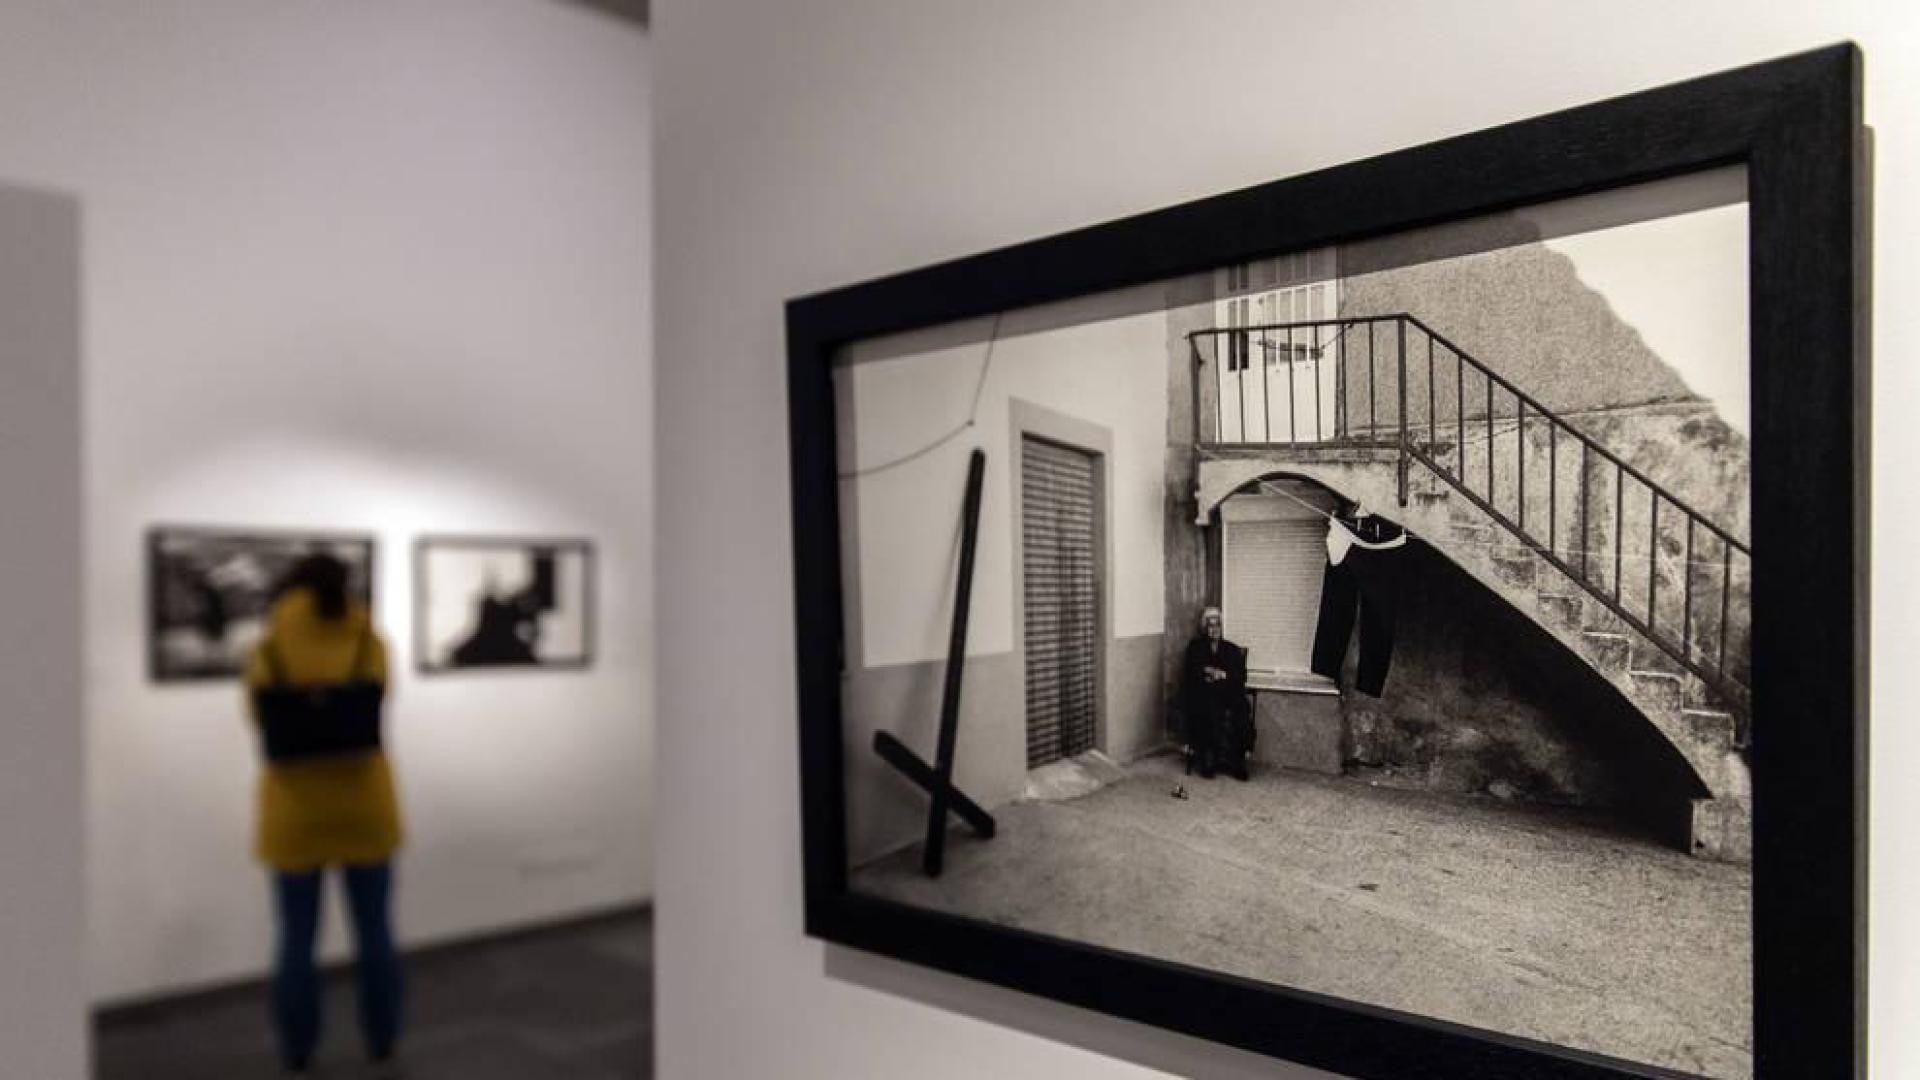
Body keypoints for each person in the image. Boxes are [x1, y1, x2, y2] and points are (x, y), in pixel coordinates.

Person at [244, 554, 404, 1078]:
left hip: (294, 811)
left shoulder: (267, 647)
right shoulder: (370, 642)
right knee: (376, 933)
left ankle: (297, 1050)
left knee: (295, 939)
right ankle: (381, 1041)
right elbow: (382, 702)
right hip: (366, 807)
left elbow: (254, 719)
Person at [1182, 607, 1253, 780]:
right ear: (1204, 628)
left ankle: (1238, 761)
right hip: (1204, 694)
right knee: (1208, 707)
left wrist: (1223, 675)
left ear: (1222, 627)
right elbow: (1190, 673)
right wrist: (1208, 672)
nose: (1214, 629)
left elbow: (1241, 676)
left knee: (1242, 708)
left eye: (1217, 625)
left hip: (1228, 694)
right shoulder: (1195, 647)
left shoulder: (1232, 649)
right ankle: (1209, 758)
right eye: (1210, 625)